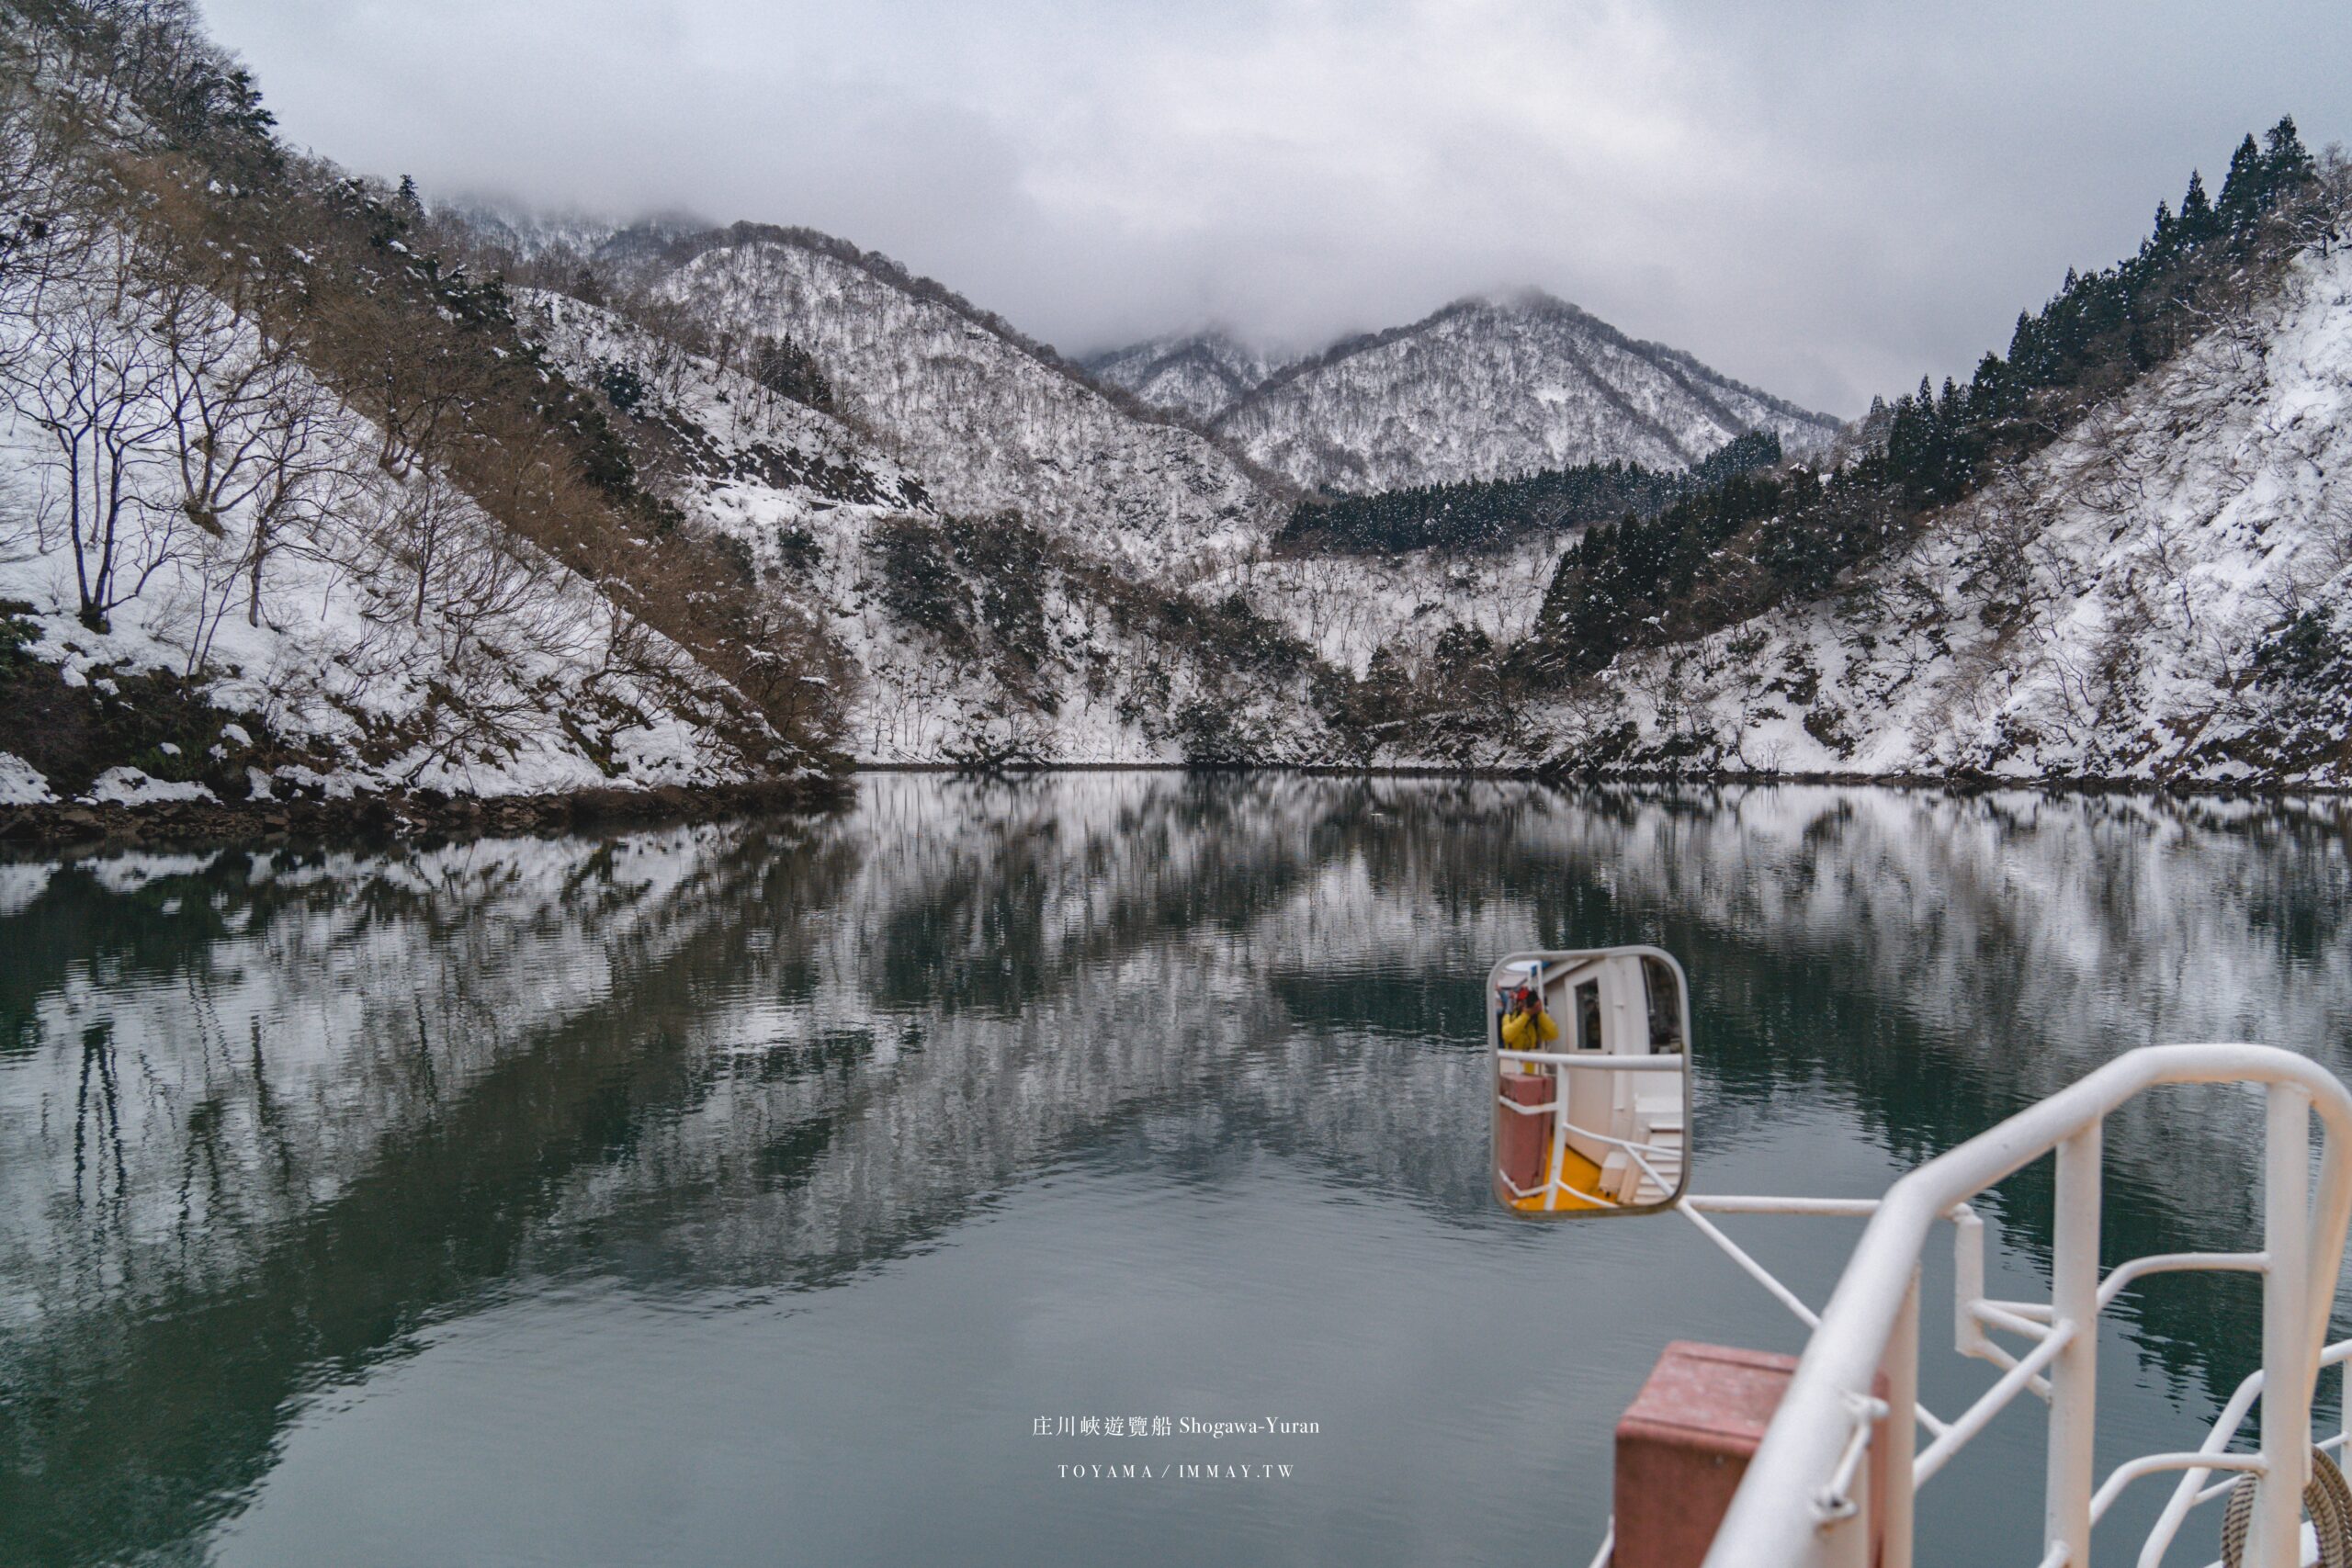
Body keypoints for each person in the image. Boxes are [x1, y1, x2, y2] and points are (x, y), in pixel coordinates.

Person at [1499, 983, 1559, 1054]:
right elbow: (1507, 1036)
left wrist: (1539, 1012)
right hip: (1512, 1063)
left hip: (1531, 1063)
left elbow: (1553, 1034)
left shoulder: (1534, 1023)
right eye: (1524, 1002)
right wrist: (1525, 1015)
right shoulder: (1509, 1018)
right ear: (1519, 1003)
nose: (1528, 1004)